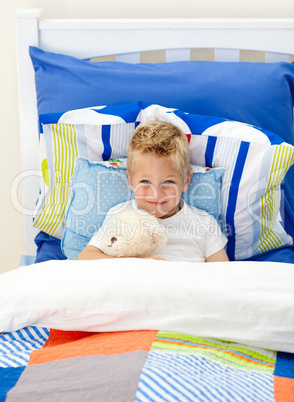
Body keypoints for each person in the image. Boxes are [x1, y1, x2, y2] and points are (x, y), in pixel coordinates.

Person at [78, 120, 229, 262]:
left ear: (185, 182)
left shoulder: (204, 223)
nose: (156, 193)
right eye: (145, 182)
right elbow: (85, 258)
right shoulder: (121, 214)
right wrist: (141, 264)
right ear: (131, 181)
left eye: (168, 182)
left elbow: (225, 274)